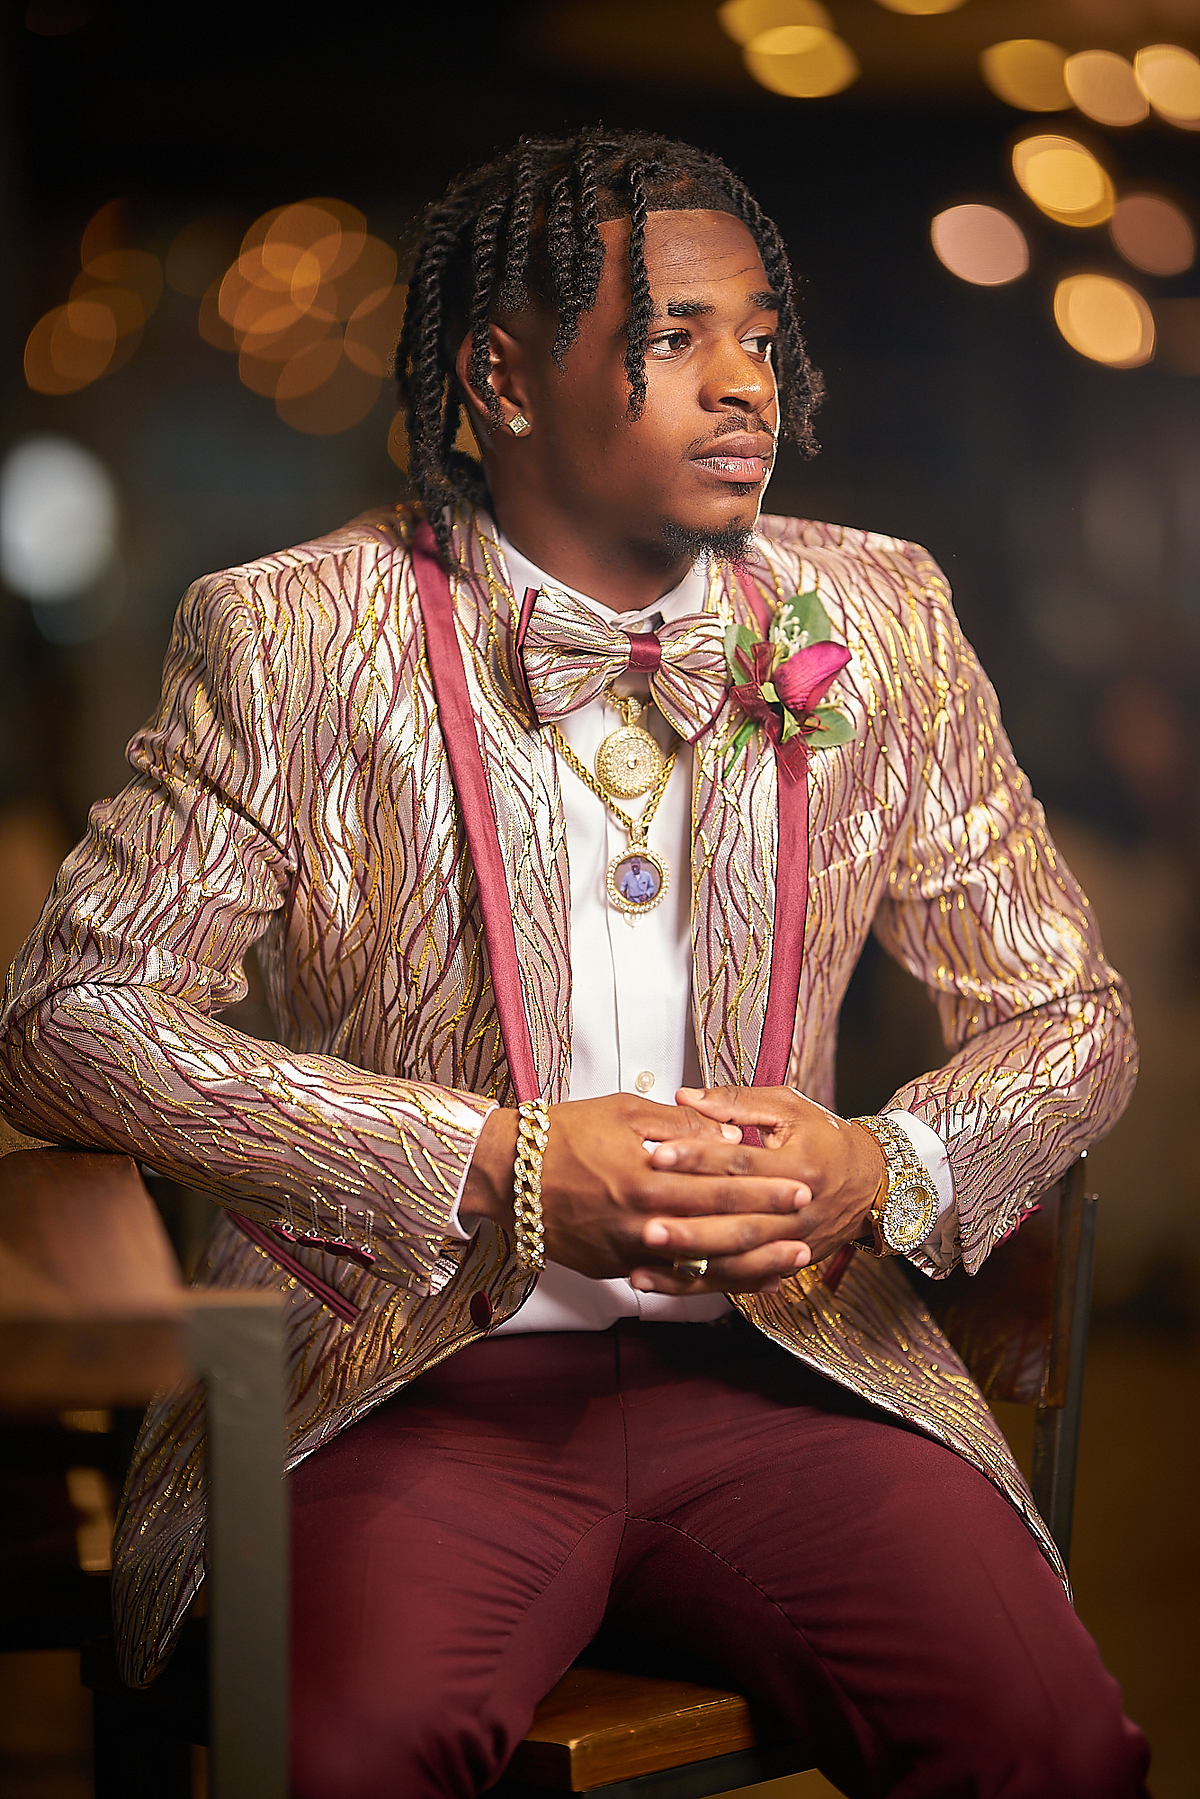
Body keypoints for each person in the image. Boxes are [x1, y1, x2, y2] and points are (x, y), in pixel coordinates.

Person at [0, 130, 1149, 1797]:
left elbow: (1070, 1015)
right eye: (674, 337)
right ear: (500, 378)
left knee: (1053, 1746)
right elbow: (69, 1022)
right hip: (400, 1380)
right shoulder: (294, 633)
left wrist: (885, 1166)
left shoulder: (879, 614)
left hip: (790, 1371)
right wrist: (492, 1161)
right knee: (359, 1750)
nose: (746, 385)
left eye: (760, 337)